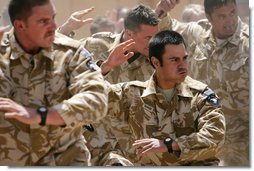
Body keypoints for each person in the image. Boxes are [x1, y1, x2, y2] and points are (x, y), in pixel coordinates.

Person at [0, 0, 108, 166]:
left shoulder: (70, 53)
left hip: (64, 160)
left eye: (53, 18)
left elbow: (97, 100)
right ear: (20, 25)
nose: (53, 26)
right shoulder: (2, 52)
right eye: (43, 21)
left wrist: (42, 115)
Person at [58, 4, 159, 165]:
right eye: (148, 38)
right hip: (94, 147)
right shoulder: (97, 45)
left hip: (134, 154)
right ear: (129, 33)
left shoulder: (156, 63)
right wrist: (66, 28)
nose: (154, 42)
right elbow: (56, 53)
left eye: (156, 36)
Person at [107, 30, 225, 166]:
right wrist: (106, 66)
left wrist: (168, 144)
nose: (183, 66)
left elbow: (216, 137)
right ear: (156, 62)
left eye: (184, 58)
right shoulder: (132, 94)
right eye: (174, 60)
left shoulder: (201, 96)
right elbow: (90, 94)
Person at [155, 0, 249, 166]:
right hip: (201, 137)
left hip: (241, 144)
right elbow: (166, 28)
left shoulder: (248, 43)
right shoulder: (198, 33)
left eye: (232, 13)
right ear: (209, 17)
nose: (230, 20)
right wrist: (162, 11)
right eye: (222, 16)